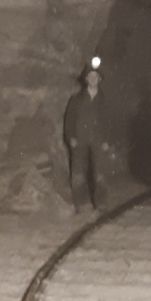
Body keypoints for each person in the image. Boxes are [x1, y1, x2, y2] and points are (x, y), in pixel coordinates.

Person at [63, 64, 110, 212]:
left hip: (98, 140)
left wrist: (107, 140)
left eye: (95, 77)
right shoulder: (76, 100)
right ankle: (81, 204)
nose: (93, 79)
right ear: (85, 79)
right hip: (80, 139)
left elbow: (109, 121)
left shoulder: (104, 101)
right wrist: (71, 137)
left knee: (100, 173)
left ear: (99, 79)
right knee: (78, 173)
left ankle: (101, 203)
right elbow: (69, 120)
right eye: (90, 76)